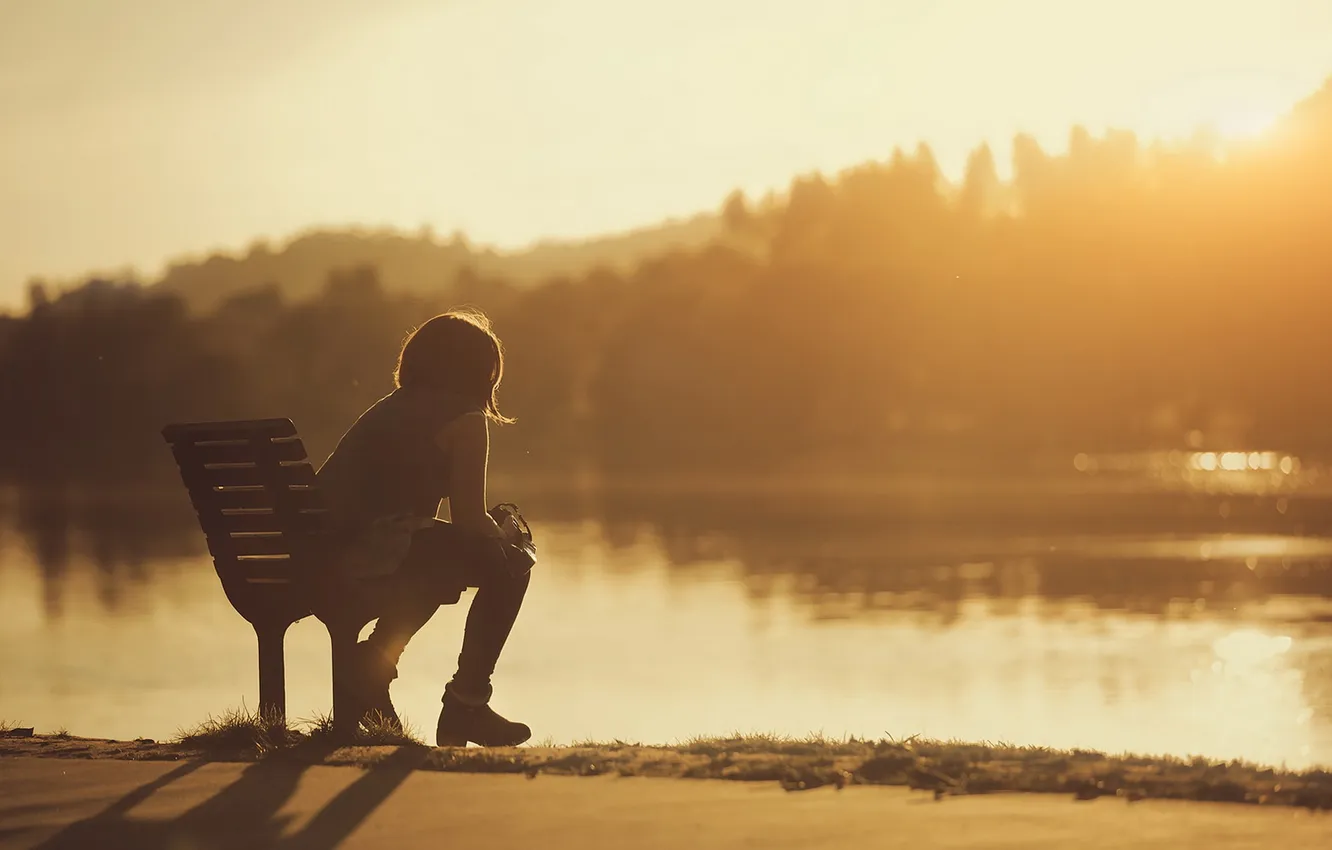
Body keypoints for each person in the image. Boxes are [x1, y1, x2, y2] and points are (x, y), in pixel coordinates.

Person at [315, 310, 532, 747]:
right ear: (477, 370)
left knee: (441, 559)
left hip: (320, 553)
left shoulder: (389, 408)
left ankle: (375, 662)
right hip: (369, 554)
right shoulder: (466, 420)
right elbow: (470, 521)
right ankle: (466, 702)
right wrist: (508, 535)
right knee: (511, 563)